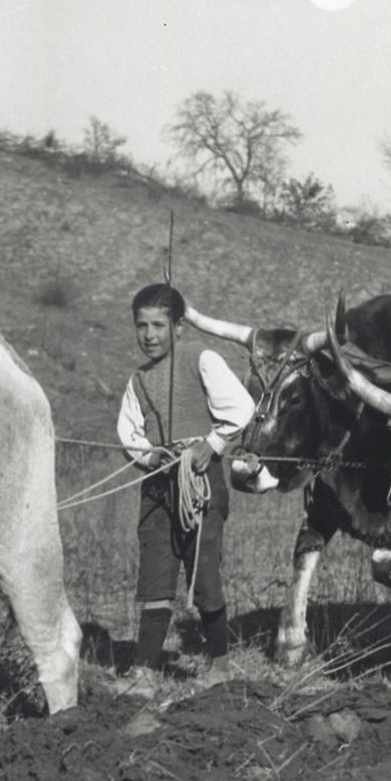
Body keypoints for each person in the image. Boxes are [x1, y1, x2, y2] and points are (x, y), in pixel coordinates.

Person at [114, 283, 254, 679]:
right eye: (141, 326)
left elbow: (242, 409)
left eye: (159, 324)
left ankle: (220, 666)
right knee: (155, 577)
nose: (149, 335)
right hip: (158, 485)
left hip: (201, 484)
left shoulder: (201, 359)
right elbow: (128, 433)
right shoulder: (137, 380)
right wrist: (152, 455)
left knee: (204, 575)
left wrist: (211, 445)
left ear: (178, 327)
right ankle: (143, 671)